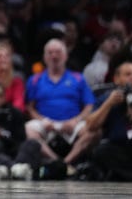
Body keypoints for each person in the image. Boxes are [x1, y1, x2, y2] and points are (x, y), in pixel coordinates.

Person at [25, 38, 97, 170]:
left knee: (92, 132)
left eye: (58, 52)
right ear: (44, 57)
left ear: (66, 55)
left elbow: (89, 105)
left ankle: (66, 162)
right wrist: (43, 120)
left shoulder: (78, 78)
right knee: (30, 128)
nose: (54, 56)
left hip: (72, 122)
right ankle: (57, 161)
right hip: (46, 123)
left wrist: (76, 120)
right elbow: (29, 107)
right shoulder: (34, 79)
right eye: (50, 52)